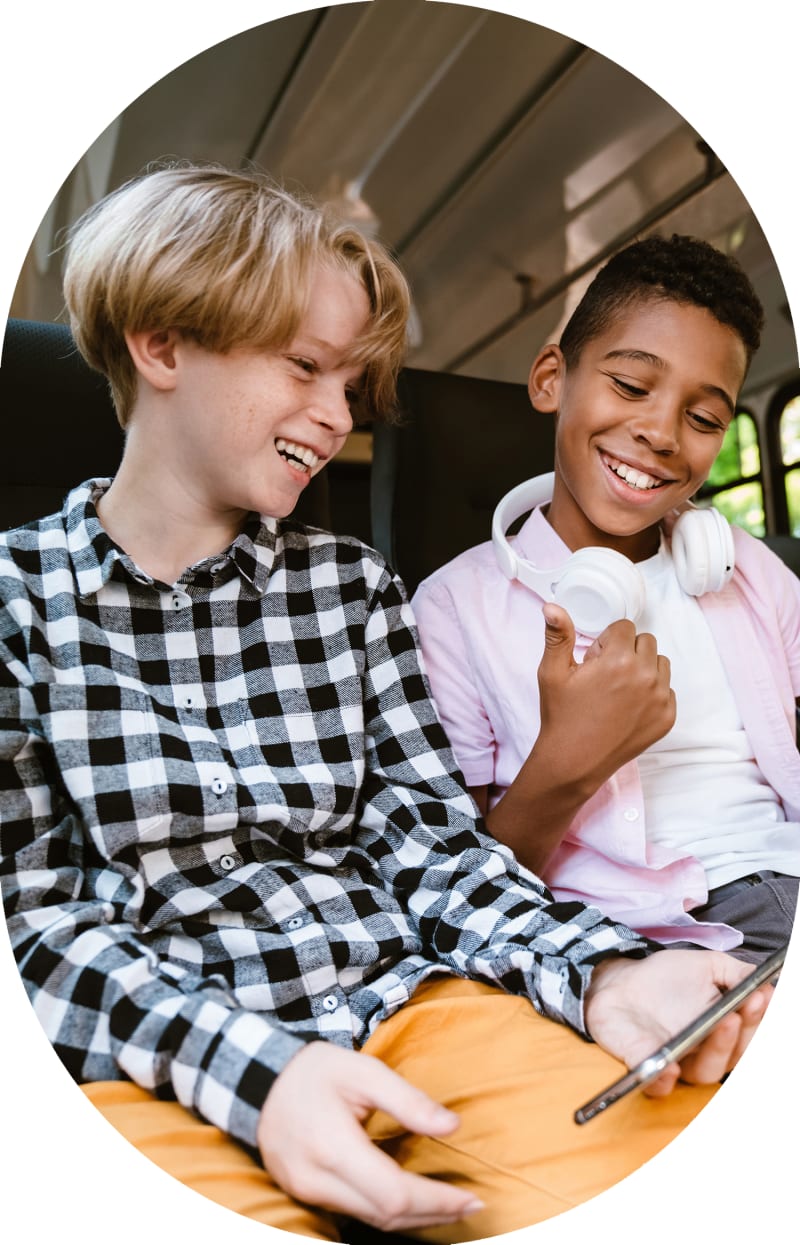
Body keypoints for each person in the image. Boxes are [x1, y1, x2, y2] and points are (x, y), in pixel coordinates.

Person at [0, 170, 773, 1242]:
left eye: (352, 384)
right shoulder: (17, 605)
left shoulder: (353, 589)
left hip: (414, 1006)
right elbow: (29, 925)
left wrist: (597, 972)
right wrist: (257, 1074)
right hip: (146, 1054)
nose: (336, 417)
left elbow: (430, 850)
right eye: (306, 369)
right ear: (163, 345)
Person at [412, 234, 800, 966]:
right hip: (624, 929)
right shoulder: (453, 608)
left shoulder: (748, 571)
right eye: (630, 386)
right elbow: (457, 884)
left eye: (705, 418)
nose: (659, 431)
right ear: (552, 379)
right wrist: (568, 760)